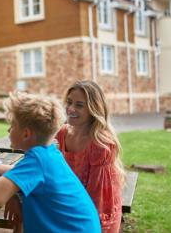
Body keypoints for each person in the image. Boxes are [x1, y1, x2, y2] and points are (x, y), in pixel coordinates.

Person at [0, 91, 101, 233]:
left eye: (12, 125)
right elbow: (22, 175)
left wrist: (11, 190)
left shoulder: (37, 160)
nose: (8, 129)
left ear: (26, 134)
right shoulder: (48, 152)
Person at [54, 80, 124, 233]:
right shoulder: (61, 133)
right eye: (69, 102)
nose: (71, 109)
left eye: (79, 105)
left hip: (96, 217)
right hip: (71, 205)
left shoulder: (100, 144)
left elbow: (97, 199)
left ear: (93, 110)